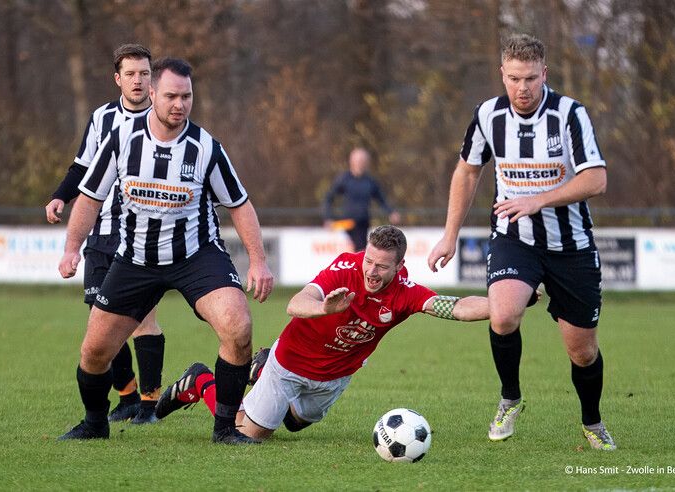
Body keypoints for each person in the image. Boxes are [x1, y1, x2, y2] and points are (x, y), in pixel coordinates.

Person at [56, 57, 274, 445]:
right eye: (172, 95)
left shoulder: (206, 148)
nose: (180, 104)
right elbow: (90, 198)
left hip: (197, 256)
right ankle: (94, 424)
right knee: (94, 353)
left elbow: (240, 204)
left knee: (238, 329)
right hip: (136, 259)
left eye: (187, 96)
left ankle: (225, 429)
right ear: (153, 93)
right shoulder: (122, 140)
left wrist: (258, 261)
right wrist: (72, 248)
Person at [427, 34, 615, 450]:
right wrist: (449, 235)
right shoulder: (487, 115)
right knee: (504, 315)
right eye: (514, 79)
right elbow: (467, 171)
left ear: (544, 74)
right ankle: (510, 397)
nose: (522, 88)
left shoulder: (570, 115)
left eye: (530, 78)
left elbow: (596, 179)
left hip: (571, 245)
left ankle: (592, 421)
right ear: (502, 74)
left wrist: (539, 200)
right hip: (515, 238)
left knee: (582, 352)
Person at [152, 225, 493, 441]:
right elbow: (296, 303)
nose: (371, 271)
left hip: (334, 378)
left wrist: (503, 305)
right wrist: (324, 309)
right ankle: (200, 381)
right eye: (369, 261)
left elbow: (458, 307)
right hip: (290, 364)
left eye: (381, 266)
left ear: (399, 266)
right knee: (250, 435)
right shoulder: (345, 267)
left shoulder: (407, 293)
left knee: (297, 423)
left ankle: (258, 369)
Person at [46, 44, 165, 424]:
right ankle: (127, 396)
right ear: (118, 79)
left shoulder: (164, 118)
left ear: (152, 79)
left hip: (143, 233)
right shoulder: (102, 118)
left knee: (142, 319)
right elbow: (82, 165)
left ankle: (150, 403)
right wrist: (60, 196)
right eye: (130, 74)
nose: (138, 80)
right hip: (101, 232)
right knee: (101, 323)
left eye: (145, 73)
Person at [323, 148, 400, 251]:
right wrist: (328, 217)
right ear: (351, 161)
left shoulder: (370, 182)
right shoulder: (344, 179)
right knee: (350, 254)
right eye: (358, 161)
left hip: (363, 223)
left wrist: (391, 212)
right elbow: (329, 198)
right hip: (347, 223)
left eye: (363, 161)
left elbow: (381, 199)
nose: (360, 164)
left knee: (361, 252)